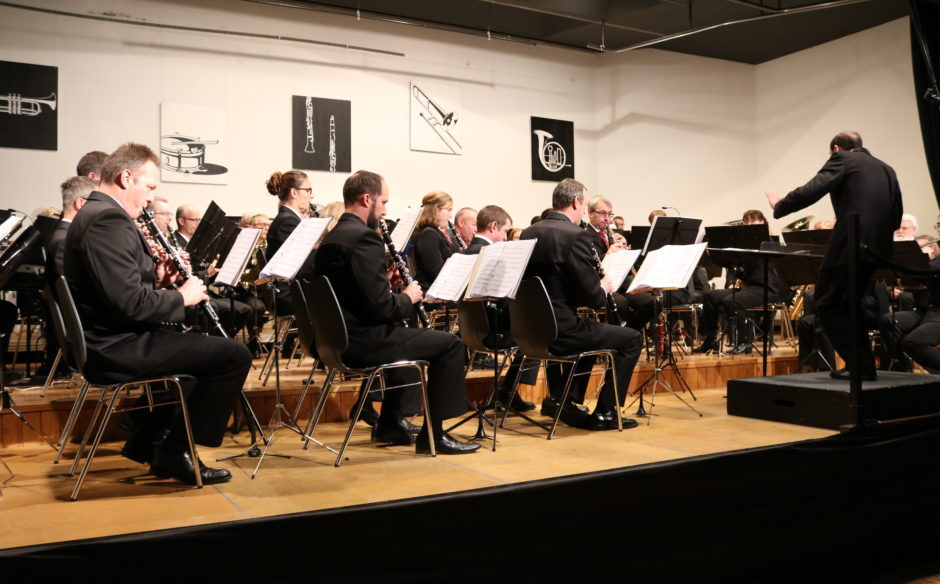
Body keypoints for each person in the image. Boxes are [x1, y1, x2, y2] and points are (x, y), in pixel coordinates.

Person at [64, 142, 250, 484]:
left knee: (198, 359)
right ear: (125, 178)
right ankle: (175, 451)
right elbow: (130, 305)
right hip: (114, 346)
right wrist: (182, 296)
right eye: (149, 188)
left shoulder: (95, 214)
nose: (150, 198)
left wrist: (159, 281)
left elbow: (118, 291)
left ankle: (147, 443)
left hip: (111, 338)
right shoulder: (108, 219)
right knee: (233, 355)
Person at [313, 170, 479, 454]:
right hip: (361, 342)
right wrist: (408, 296)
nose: (385, 210)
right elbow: (382, 309)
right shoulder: (364, 238)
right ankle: (434, 435)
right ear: (367, 199)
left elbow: (358, 294)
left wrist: (386, 285)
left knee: (409, 338)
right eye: (384, 202)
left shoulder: (334, 236)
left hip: (336, 340)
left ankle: (391, 423)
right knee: (450, 345)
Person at [765, 131, 902, 380]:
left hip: (849, 244)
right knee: (853, 305)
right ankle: (863, 368)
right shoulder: (887, 169)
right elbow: (896, 215)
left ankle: (860, 365)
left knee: (826, 303)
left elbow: (812, 189)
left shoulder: (842, 160)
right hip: (879, 248)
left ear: (837, 148)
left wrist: (780, 205)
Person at [521, 179, 641, 431]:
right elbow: (594, 300)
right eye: (585, 204)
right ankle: (607, 412)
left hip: (532, 330)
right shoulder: (576, 236)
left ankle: (565, 400)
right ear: (576, 202)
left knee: (595, 335)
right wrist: (603, 287)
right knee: (631, 339)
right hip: (561, 330)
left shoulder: (529, 232)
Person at [462, 205, 536, 411]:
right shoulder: (489, 253)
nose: (506, 238)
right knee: (536, 334)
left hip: (470, 333)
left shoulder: (469, 250)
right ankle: (507, 392)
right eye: (505, 231)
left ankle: (508, 392)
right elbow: (500, 300)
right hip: (491, 332)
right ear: (494, 226)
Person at [693, 209, 784, 355]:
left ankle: (745, 341)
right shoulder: (746, 245)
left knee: (733, 301)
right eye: (747, 221)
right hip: (750, 288)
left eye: (753, 220)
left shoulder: (770, 243)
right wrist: (720, 258)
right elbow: (742, 274)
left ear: (763, 222)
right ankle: (710, 340)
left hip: (767, 289)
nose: (749, 223)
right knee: (711, 296)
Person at [586, 195, 655, 331]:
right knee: (620, 303)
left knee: (652, 302)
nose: (607, 219)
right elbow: (587, 264)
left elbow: (629, 269)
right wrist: (608, 254)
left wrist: (625, 252)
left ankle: (630, 333)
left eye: (609, 214)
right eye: (602, 213)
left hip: (620, 285)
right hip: (600, 287)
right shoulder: (583, 236)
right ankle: (621, 339)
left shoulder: (612, 236)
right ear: (590, 213)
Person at [265, 169, 314, 315]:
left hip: (291, 290)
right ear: (294, 192)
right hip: (290, 294)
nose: (312, 195)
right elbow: (306, 265)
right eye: (308, 190)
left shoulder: (288, 219)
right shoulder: (288, 222)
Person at [411, 191, 458, 291]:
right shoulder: (429, 234)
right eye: (449, 210)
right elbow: (436, 274)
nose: (451, 215)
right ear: (436, 210)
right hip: (431, 295)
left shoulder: (435, 232)